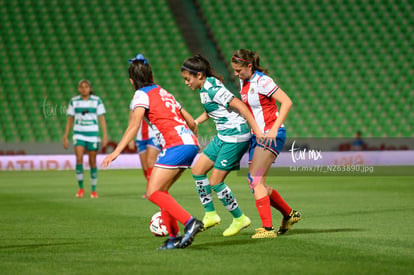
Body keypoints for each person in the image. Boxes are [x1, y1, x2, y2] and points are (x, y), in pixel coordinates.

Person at [102, 53, 203, 250]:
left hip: (175, 145)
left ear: (132, 81)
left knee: (153, 191)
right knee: (162, 191)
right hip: (189, 143)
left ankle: (190, 222)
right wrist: (192, 137)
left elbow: (134, 125)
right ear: (151, 76)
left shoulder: (140, 95)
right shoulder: (164, 92)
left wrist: (116, 151)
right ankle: (174, 238)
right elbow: (191, 121)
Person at [181, 54, 264, 237]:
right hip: (223, 135)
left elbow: (241, 106)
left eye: (188, 79)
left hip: (236, 136)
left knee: (216, 181)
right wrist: (194, 123)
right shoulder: (205, 88)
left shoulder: (212, 88)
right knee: (198, 170)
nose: (186, 83)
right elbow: (213, 111)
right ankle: (210, 214)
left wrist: (257, 130)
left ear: (199, 75)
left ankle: (240, 218)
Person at [231, 49, 302, 238]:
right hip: (258, 136)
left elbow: (287, 102)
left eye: (239, 70)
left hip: (271, 135)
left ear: (249, 65)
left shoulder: (263, 81)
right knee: (255, 181)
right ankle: (289, 214)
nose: (236, 74)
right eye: (235, 71)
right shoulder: (244, 81)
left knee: (255, 180)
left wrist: (273, 129)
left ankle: (268, 229)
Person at [63, 79, 108, 199]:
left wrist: (105, 135)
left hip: (93, 134)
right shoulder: (74, 101)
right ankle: (81, 188)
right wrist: (65, 136)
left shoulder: (97, 100)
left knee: (92, 161)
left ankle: (93, 190)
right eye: (81, 87)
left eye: (86, 87)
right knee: (79, 158)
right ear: (79, 89)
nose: (84, 89)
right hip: (79, 133)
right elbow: (70, 119)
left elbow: (101, 118)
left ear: (90, 88)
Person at [128, 119, 161, 198]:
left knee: (150, 162)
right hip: (140, 137)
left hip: (153, 135)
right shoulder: (133, 106)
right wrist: (130, 139)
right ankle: (156, 188)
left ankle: (150, 191)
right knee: (145, 168)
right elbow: (131, 120)